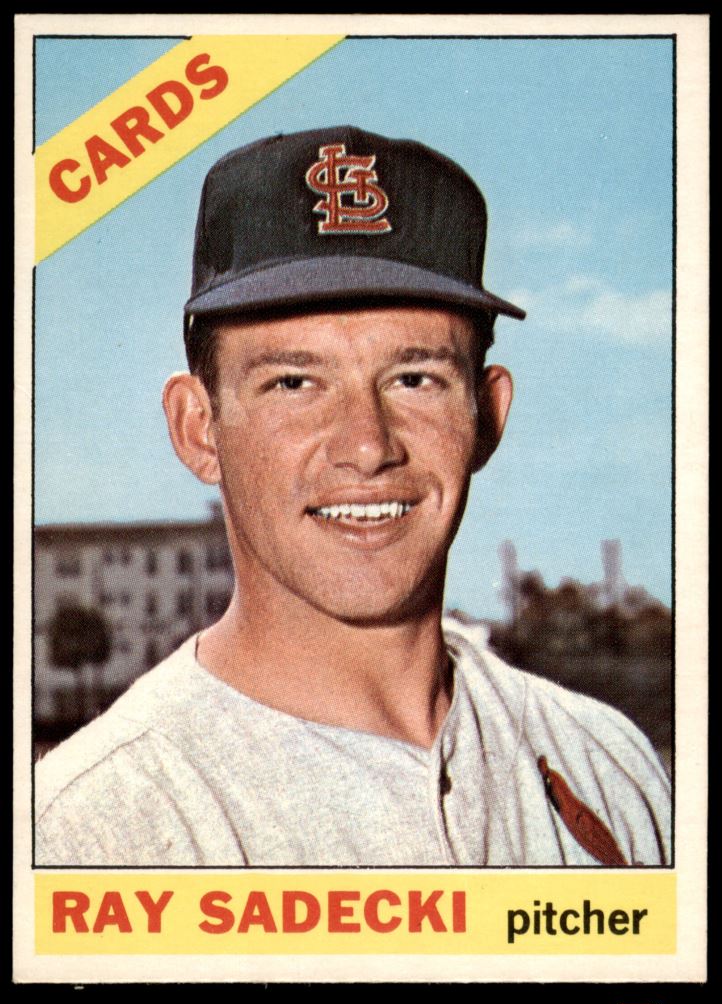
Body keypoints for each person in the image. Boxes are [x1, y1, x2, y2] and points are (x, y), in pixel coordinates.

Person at [35, 126, 670, 867]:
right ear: (199, 429)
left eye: (415, 379)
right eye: (294, 383)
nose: (367, 446)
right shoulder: (92, 828)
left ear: (487, 416)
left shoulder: (606, 764)